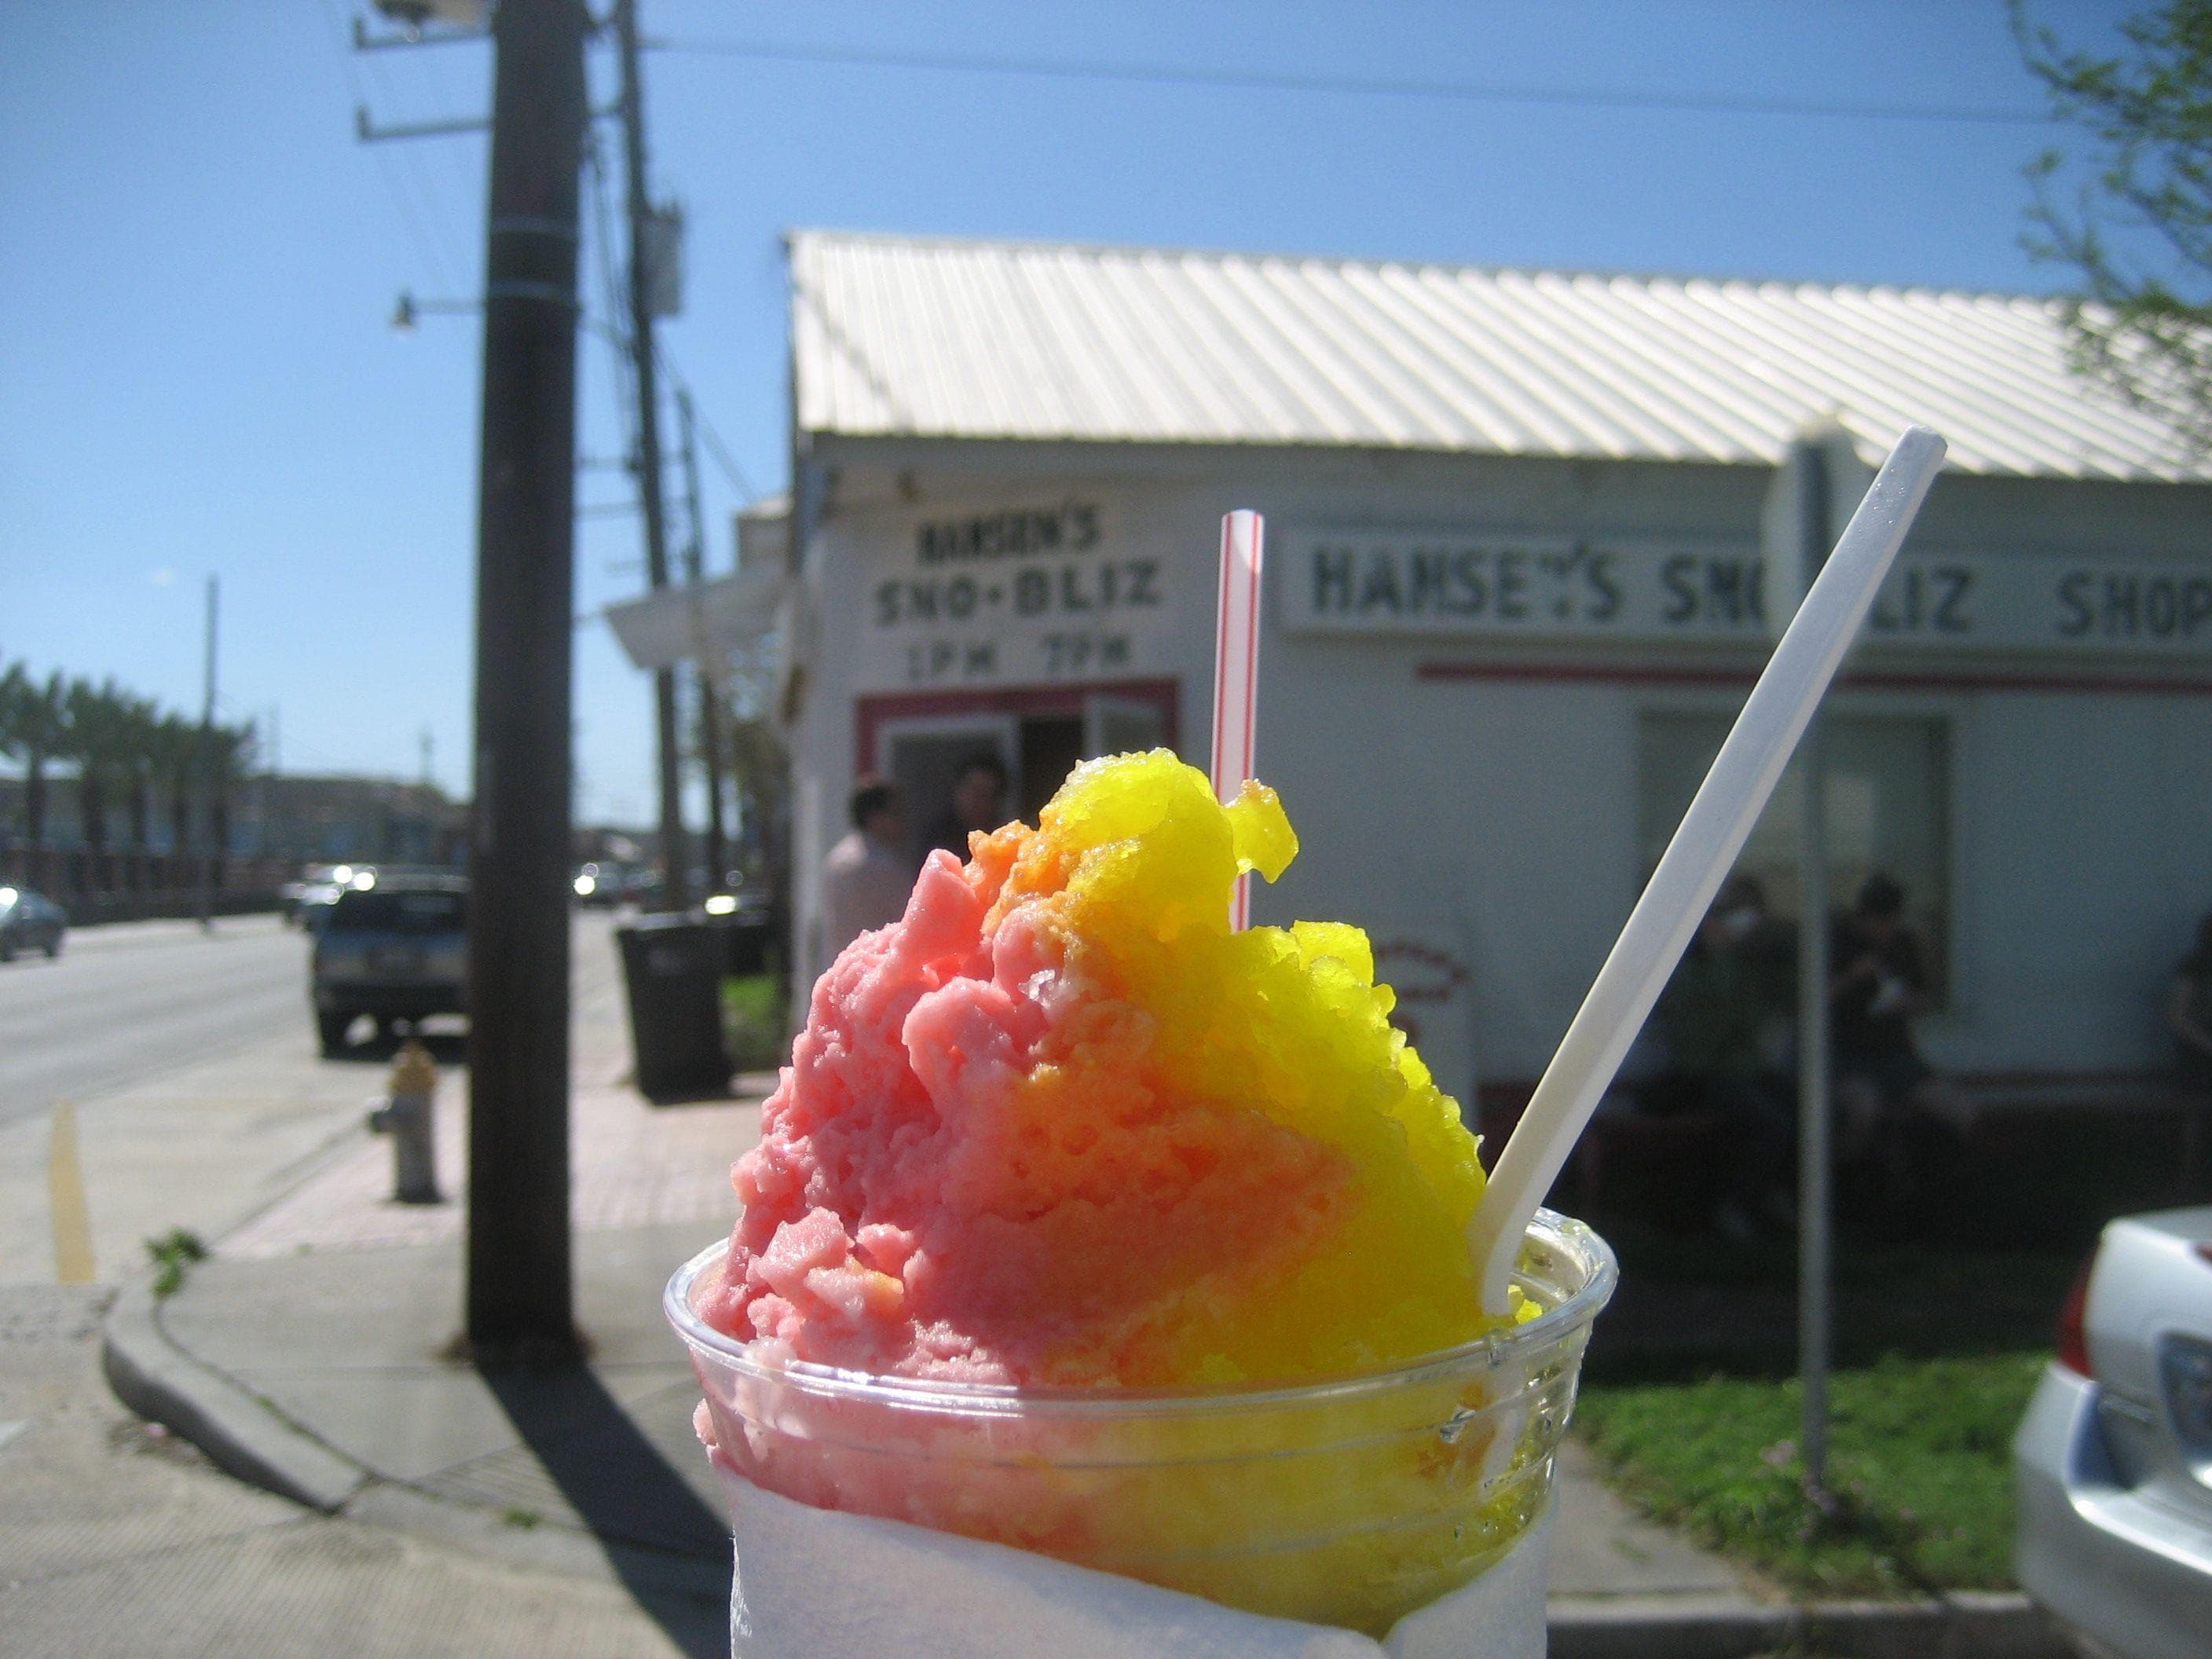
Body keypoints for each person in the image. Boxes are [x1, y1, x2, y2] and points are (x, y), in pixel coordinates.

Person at [1648, 873, 1796, 1239]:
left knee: (1801, 1106)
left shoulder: (1741, 965)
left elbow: (1769, 1006)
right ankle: (1737, 1204)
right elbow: (1698, 1040)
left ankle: (1775, 1194)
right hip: (1701, 1075)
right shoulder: (1688, 972)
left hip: (1742, 1071)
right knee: (1766, 1123)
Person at [1829, 873, 1949, 1185]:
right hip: (1850, 1057)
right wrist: (1852, 977)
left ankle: (1940, 1189)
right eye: (1878, 922)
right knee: (1863, 1112)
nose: (1885, 931)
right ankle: (1847, 1187)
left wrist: (1907, 1002)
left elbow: (1926, 998)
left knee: (1956, 1109)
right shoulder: (1837, 942)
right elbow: (1811, 1001)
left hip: (1896, 1055)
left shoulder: (1904, 944)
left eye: (1890, 922)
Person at [820, 777, 914, 960]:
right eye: (896, 812)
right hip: (879, 967)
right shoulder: (885, 866)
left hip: (842, 967)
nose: (904, 819)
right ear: (874, 818)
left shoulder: (835, 859)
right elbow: (913, 921)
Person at [924, 752, 1009, 862]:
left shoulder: (1002, 840)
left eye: (985, 794)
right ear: (957, 789)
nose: (977, 800)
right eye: (972, 790)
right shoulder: (937, 838)